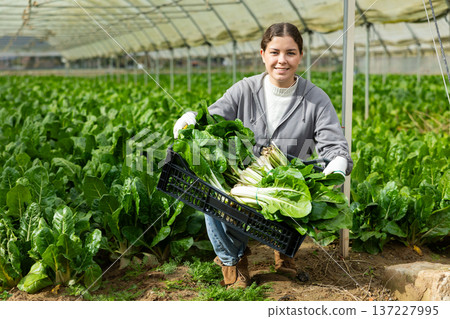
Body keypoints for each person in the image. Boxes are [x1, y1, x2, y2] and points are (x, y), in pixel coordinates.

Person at [173, 22, 353, 289]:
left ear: (301, 56)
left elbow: (335, 146)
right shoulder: (244, 90)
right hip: (243, 184)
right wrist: (191, 120)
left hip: (284, 187)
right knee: (211, 193)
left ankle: (285, 251)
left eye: (290, 53)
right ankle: (232, 261)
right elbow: (210, 120)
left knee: (309, 195)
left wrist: (337, 163)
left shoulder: (316, 99)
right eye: (274, 52)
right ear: (262, 54)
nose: (282, 60)